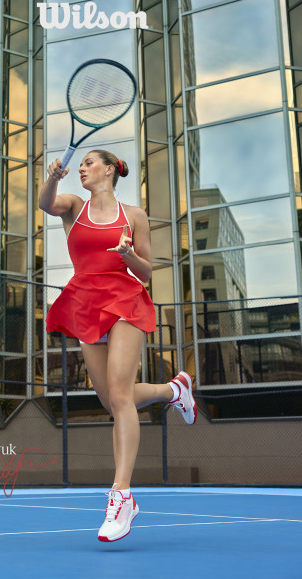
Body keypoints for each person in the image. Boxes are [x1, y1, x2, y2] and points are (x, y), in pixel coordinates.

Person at [39, 149, 197, 542]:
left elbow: (147, 269)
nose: (82, 168)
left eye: (89, 163)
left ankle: (121, 496)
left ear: (109, 170)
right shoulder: (73, 206)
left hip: (125, 299)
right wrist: (53, 177)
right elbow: (45, 204)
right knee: (113, 401)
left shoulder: (135, 216)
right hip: (85, 303)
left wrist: (128, 254)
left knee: (121, 397)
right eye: (80, 165)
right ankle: (173, 390)